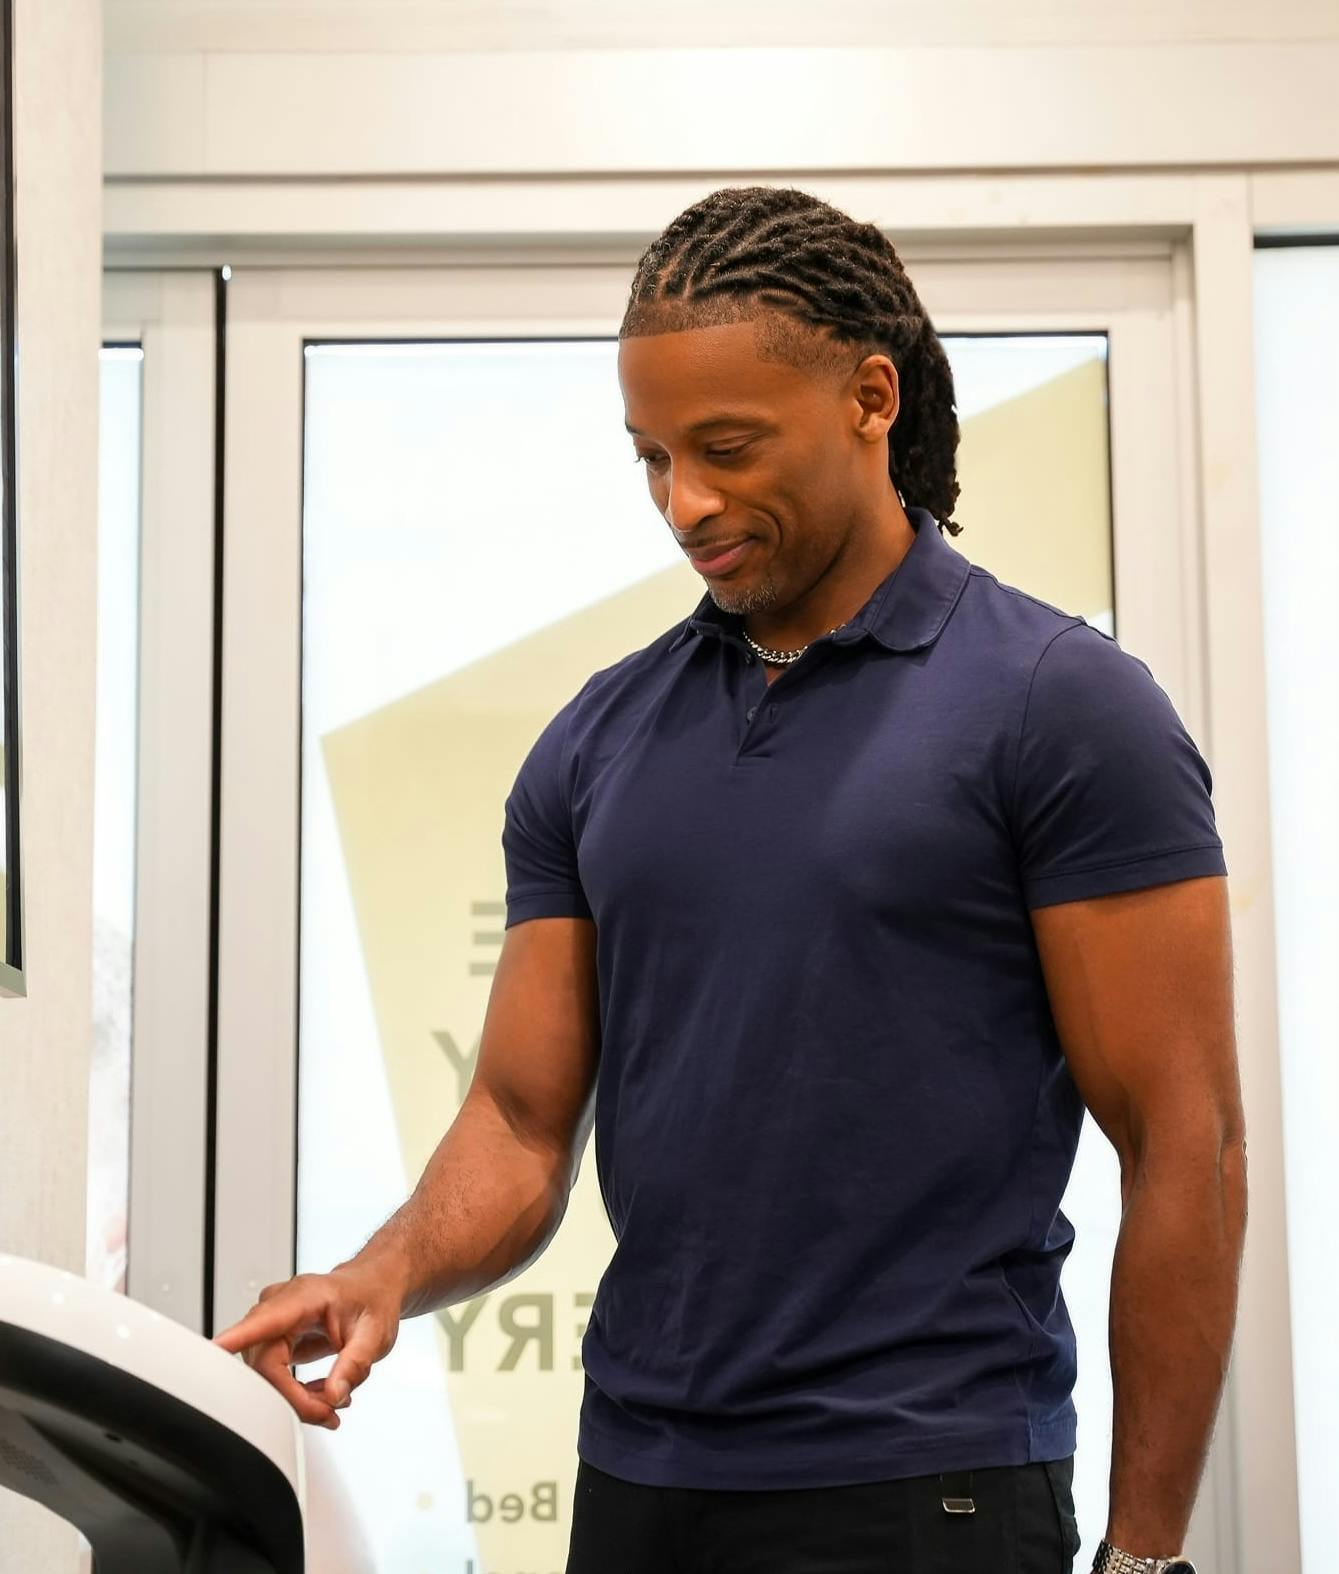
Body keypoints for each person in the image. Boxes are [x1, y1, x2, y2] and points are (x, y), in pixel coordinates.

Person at [215, 185, 1246, 1574]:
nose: (683, 502)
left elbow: (1188, 1138)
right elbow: (523, 1120)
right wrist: (379, 1270)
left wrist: (1146, 1551)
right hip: (640, 1482)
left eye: (726, 447)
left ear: (870, 399)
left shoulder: (1059, 706)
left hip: (927, 1481)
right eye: (649, 457)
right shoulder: (598, 736)